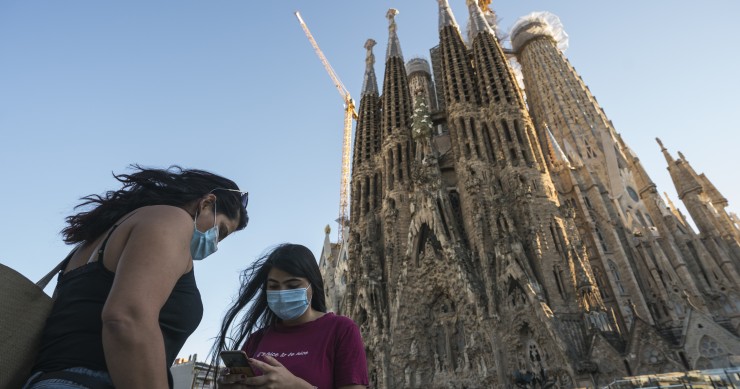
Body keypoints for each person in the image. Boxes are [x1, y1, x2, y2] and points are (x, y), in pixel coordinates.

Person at [23, 165, 249, 389]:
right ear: (207, 203)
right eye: (221, 231)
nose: (215, 244)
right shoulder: (173, 219)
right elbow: (127, 318)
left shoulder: (92, 242)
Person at [214, 243, 368, 389]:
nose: (281, 293)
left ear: (312, 286)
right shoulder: (256, 339)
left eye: (293, 285)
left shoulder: (341, 330)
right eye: (273, 286)